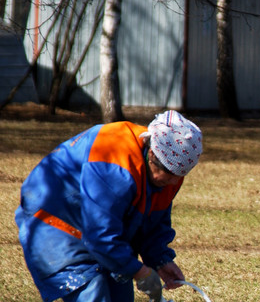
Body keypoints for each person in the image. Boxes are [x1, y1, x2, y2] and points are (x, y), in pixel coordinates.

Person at [15, 110, 203, 302]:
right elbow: (100, 235)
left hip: (101, 230)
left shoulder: (169, 177)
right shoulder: (114, 165)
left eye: (179, 175)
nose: (172, 181)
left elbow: (152, 220)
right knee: (92, 292)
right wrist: (139, 271)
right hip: (54, 219)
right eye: (168, 172)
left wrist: (160, 259)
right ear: (152, 152)